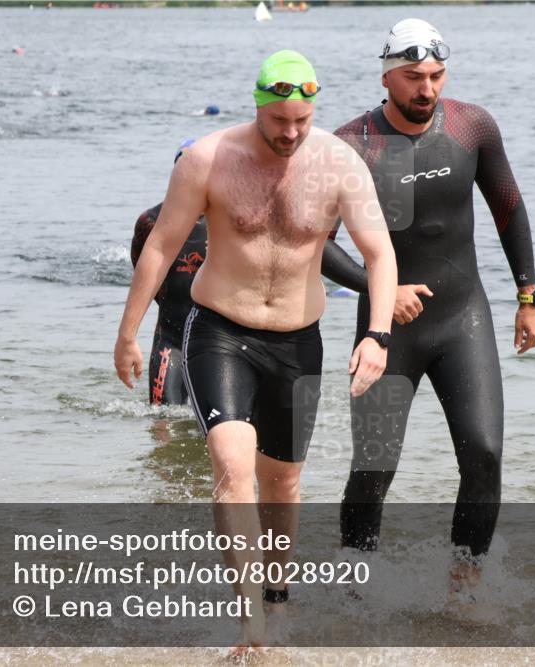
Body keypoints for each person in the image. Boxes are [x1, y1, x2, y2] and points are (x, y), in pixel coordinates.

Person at [114, 50, 397, 655]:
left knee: (284, 484)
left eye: (302, 120)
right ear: (258, 104)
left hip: (299, 340)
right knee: (232, 466)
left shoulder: (338, 163)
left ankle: (276, 594)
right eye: (279, 121)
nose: (290, 133)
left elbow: (378, 253)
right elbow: (162, 246)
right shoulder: (208, 159)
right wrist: (128, 332)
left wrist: (377, 335)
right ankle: (251, 625)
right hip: (220, 329)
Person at [322, 19, 535, 601]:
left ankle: (464, 583)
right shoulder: (351, 145)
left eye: (437, 76)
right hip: (385, 329)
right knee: (374, 468)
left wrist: (528, 297)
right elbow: (316, 243)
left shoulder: (472, 126)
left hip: (461, 316)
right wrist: (381, 292)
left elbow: (509, 210)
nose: (428, 89)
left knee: (485, 453)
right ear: (387, 76)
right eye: (414, 77)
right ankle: (355, 585)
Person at [130, 139, 207, 405]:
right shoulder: (151, 221)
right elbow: (145, 274)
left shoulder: (227, 222)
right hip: (170, 339)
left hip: (218, 343)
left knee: (217, 429)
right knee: (163, 422)